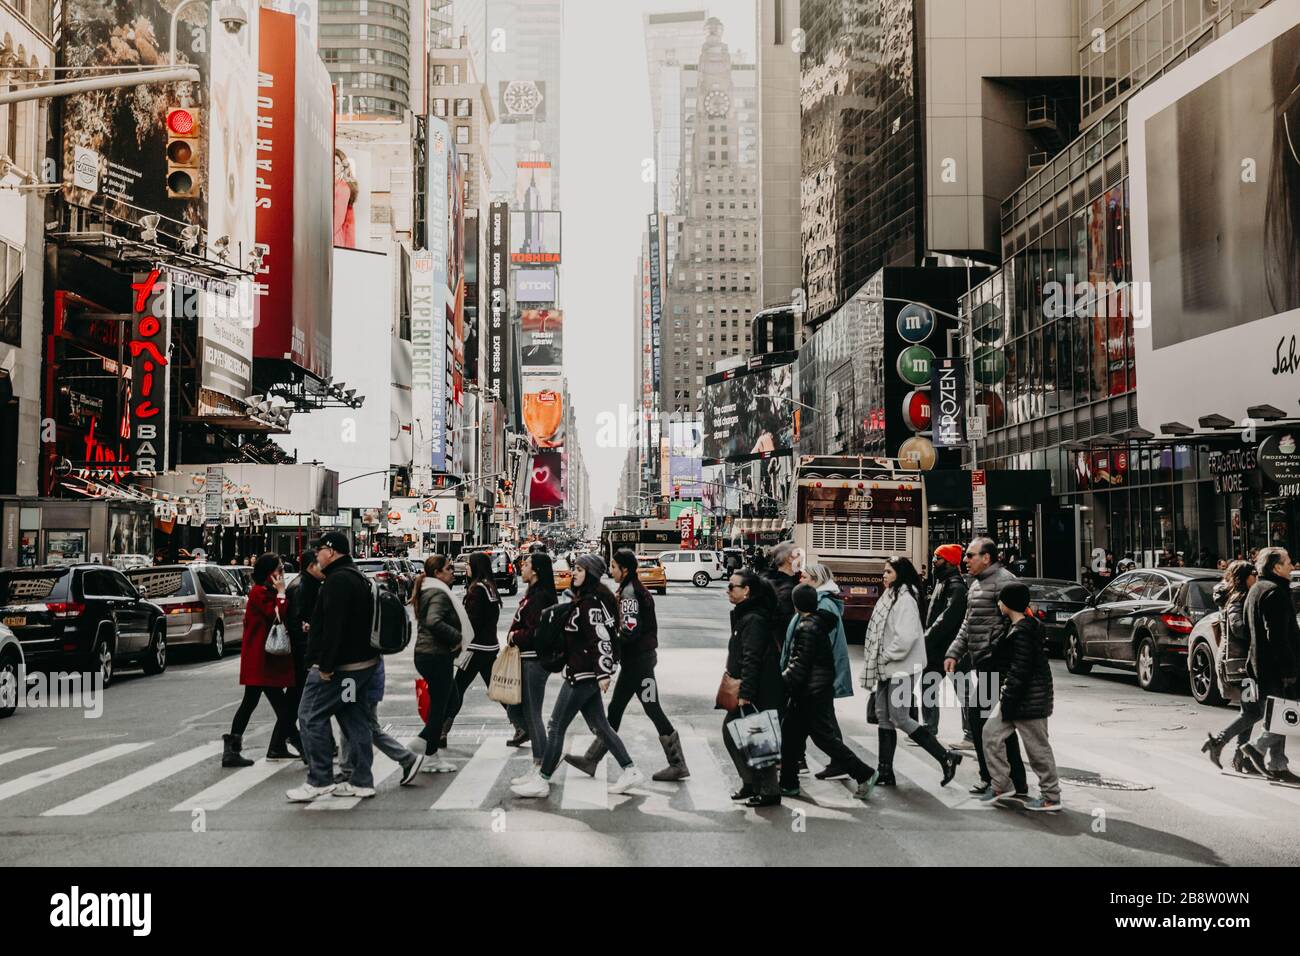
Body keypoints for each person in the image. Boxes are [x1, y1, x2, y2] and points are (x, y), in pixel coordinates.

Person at [512, 555, 645, 798]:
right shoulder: (584, 600)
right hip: (582, 672)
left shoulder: (590, 603)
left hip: (583, 675)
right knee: (601, 726)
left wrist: (604, 673)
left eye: (580, 570)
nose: (574, 573)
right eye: (575, 568)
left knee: (555, 726)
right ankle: (630, 769)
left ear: (591, 574)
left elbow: (600, 639)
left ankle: (542, 779)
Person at [566, 548, 689, 781]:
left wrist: (610, 645)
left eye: (613, 567)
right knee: (637, 708)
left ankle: (593, 759)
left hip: (638, 663)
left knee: (633, 709)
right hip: (641, 661)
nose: (611, 571)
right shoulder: (630, 589)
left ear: (625, 569)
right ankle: (593, 759)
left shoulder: (631, 593)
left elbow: (630, 630)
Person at [287, 532, 380, 801]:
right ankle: (362, 781)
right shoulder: (355, 576)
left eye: (320, 549)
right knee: (353, 718)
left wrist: (325, 665)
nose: (316, 554)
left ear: (333, 551)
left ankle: (319, 779)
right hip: (361, 663)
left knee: (309, 715)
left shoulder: (338, 581)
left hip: (341, 666)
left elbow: (334, 628)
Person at [862, 556, 962, 787]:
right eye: (884, 571)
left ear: (901, 573)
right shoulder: (891, 596)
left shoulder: (905, 598)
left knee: (899, 716)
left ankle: (945, 757)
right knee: (883, 716)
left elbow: (905, 638)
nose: (884, 575)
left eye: (888, 571)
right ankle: (885, 771)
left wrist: (883, 656)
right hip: (888, 667)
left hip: (901, 667)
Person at [944, 537, 1028, 799]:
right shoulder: (976, 585)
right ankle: (1006, 779)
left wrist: (998, 652)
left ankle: (999, 778)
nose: (965, 560)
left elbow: (1016, 622)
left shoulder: (1004, 581)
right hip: (983, 662)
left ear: (986, 558)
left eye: (970, 555)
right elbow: (968, 624)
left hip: (997, 665)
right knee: (991, 723)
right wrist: (954, 652)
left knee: (988, 722)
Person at [780, 583, 879, 800]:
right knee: (791, 737)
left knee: (822, 739)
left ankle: (864, 773)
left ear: (796, 604)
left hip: (810, 694)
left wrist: (780, 684)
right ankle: (788, 783)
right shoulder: (818, 623)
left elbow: (799, 665)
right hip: (815, 691)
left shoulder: (806, 627)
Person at [981, 582, 1061, 811]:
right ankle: (1001, 784)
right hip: (1017, 699)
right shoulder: (1015, 627)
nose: (997, 603)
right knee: (991, 735)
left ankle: (1051, 797)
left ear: (1007, 604)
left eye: (1000, 600)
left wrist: (1007, 696)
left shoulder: (1024, 631)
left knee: (1037, 750)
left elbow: (1021, 670)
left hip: (1027, 701)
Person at [222, 553, 298, 767]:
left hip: (265, 659)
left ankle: (236, 749)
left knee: (254, 703)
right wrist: (282, 593)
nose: (282, 573)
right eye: (278, 569)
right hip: (260, 659)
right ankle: (296, 745)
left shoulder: (266, 591)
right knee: (279, 707)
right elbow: (277, 615)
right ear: (267, 572)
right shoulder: (259, 593)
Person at [722, 568, 785, 807]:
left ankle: (768, 790)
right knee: (738, 731)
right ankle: (751, 783)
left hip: (759, 689)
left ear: (746, 591)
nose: (728, 590)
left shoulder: (754, 619)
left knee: (757, 736)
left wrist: (746, 693)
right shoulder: (745, 615)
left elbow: (752, 658)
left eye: (732, 587)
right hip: (751, 686)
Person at [1238, 548, 1300, 783]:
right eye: (1288, 562)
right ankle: (1257, 748)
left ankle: (1278, 764)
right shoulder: (1275, 592)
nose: (1292, 566)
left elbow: (1245, 629)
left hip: (1260, 663)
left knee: (1280, 712)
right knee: (1289, 713)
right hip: (1277, 666)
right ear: (1276, 568)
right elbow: (1277, 636)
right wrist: (1288, 668)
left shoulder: (1256, 589)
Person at [441, 552, 518, 742]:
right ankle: (521, 724)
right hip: (489, 647)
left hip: (475, 649)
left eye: (468, 564)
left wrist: (457, 637)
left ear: (476, 567)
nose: (465, 567)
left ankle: (441, 730)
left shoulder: (477, 589)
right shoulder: (489, 587)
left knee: (457, 689)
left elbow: (472, 621)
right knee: (496, 688)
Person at [792, 562, 855, 780]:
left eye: (805, 577)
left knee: (820, 721)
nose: (801, 580)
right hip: (817, 674)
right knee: (819, 719)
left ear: (817, 580)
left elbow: (819, 643)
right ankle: (800, 761)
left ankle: (850, 766)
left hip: (817, 675)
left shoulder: (823, 604)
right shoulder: (819, 601)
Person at [505, 552, 559, 786]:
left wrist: (514, 636)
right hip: (527, 659)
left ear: (535, 570)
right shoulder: (534, 595)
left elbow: (535, 632)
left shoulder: (539, 598)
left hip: (534, 660)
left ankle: (541, 765)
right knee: (520, 710)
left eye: (525, 565)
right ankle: (541, 762)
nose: (522, 568)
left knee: (532, 713)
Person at [1202, 561, 1260, 772]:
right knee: (1254, 712)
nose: (1256, 577)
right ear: (1245, 577)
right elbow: (1239, 628)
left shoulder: (1238, 597)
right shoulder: (1238, 600)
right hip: (1240, 665)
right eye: (1254, 573)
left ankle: (1240, 757)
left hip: (1242, 664)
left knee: (1249, 711)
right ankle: (1219, 742)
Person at [411, 554, 466, 774]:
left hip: (429, 654)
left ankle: (424, 741)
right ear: (437, 573)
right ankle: (430, 754)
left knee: (450, 701)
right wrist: (456, 637)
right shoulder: (438, 593)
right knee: (442, 706)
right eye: (448, 568)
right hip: (435, 655)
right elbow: (434, 621)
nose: (453, 571)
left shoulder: (430, 590)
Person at [921, 544, 968, 737]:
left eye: (937, 558)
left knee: (963, 690)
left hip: (951, 649)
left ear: (949, 562)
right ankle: (929, 727)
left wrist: (926, 638)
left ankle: (971, 732)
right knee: (928, 685)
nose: (933, 562)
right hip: (938, 646)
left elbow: (947, 618)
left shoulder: (955, 586)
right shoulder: (943, 582)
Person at [283, 549, 324, 758]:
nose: (323, 568)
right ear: (310, 566)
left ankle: (280, 743)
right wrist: (307, 656)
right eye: (319, 564)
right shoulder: (302, 587)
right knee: (304, 701)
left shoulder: (310, 584)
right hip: (303, 654)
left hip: (305, 653)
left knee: (295, 700)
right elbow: (298, 623)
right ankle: (306, 743)